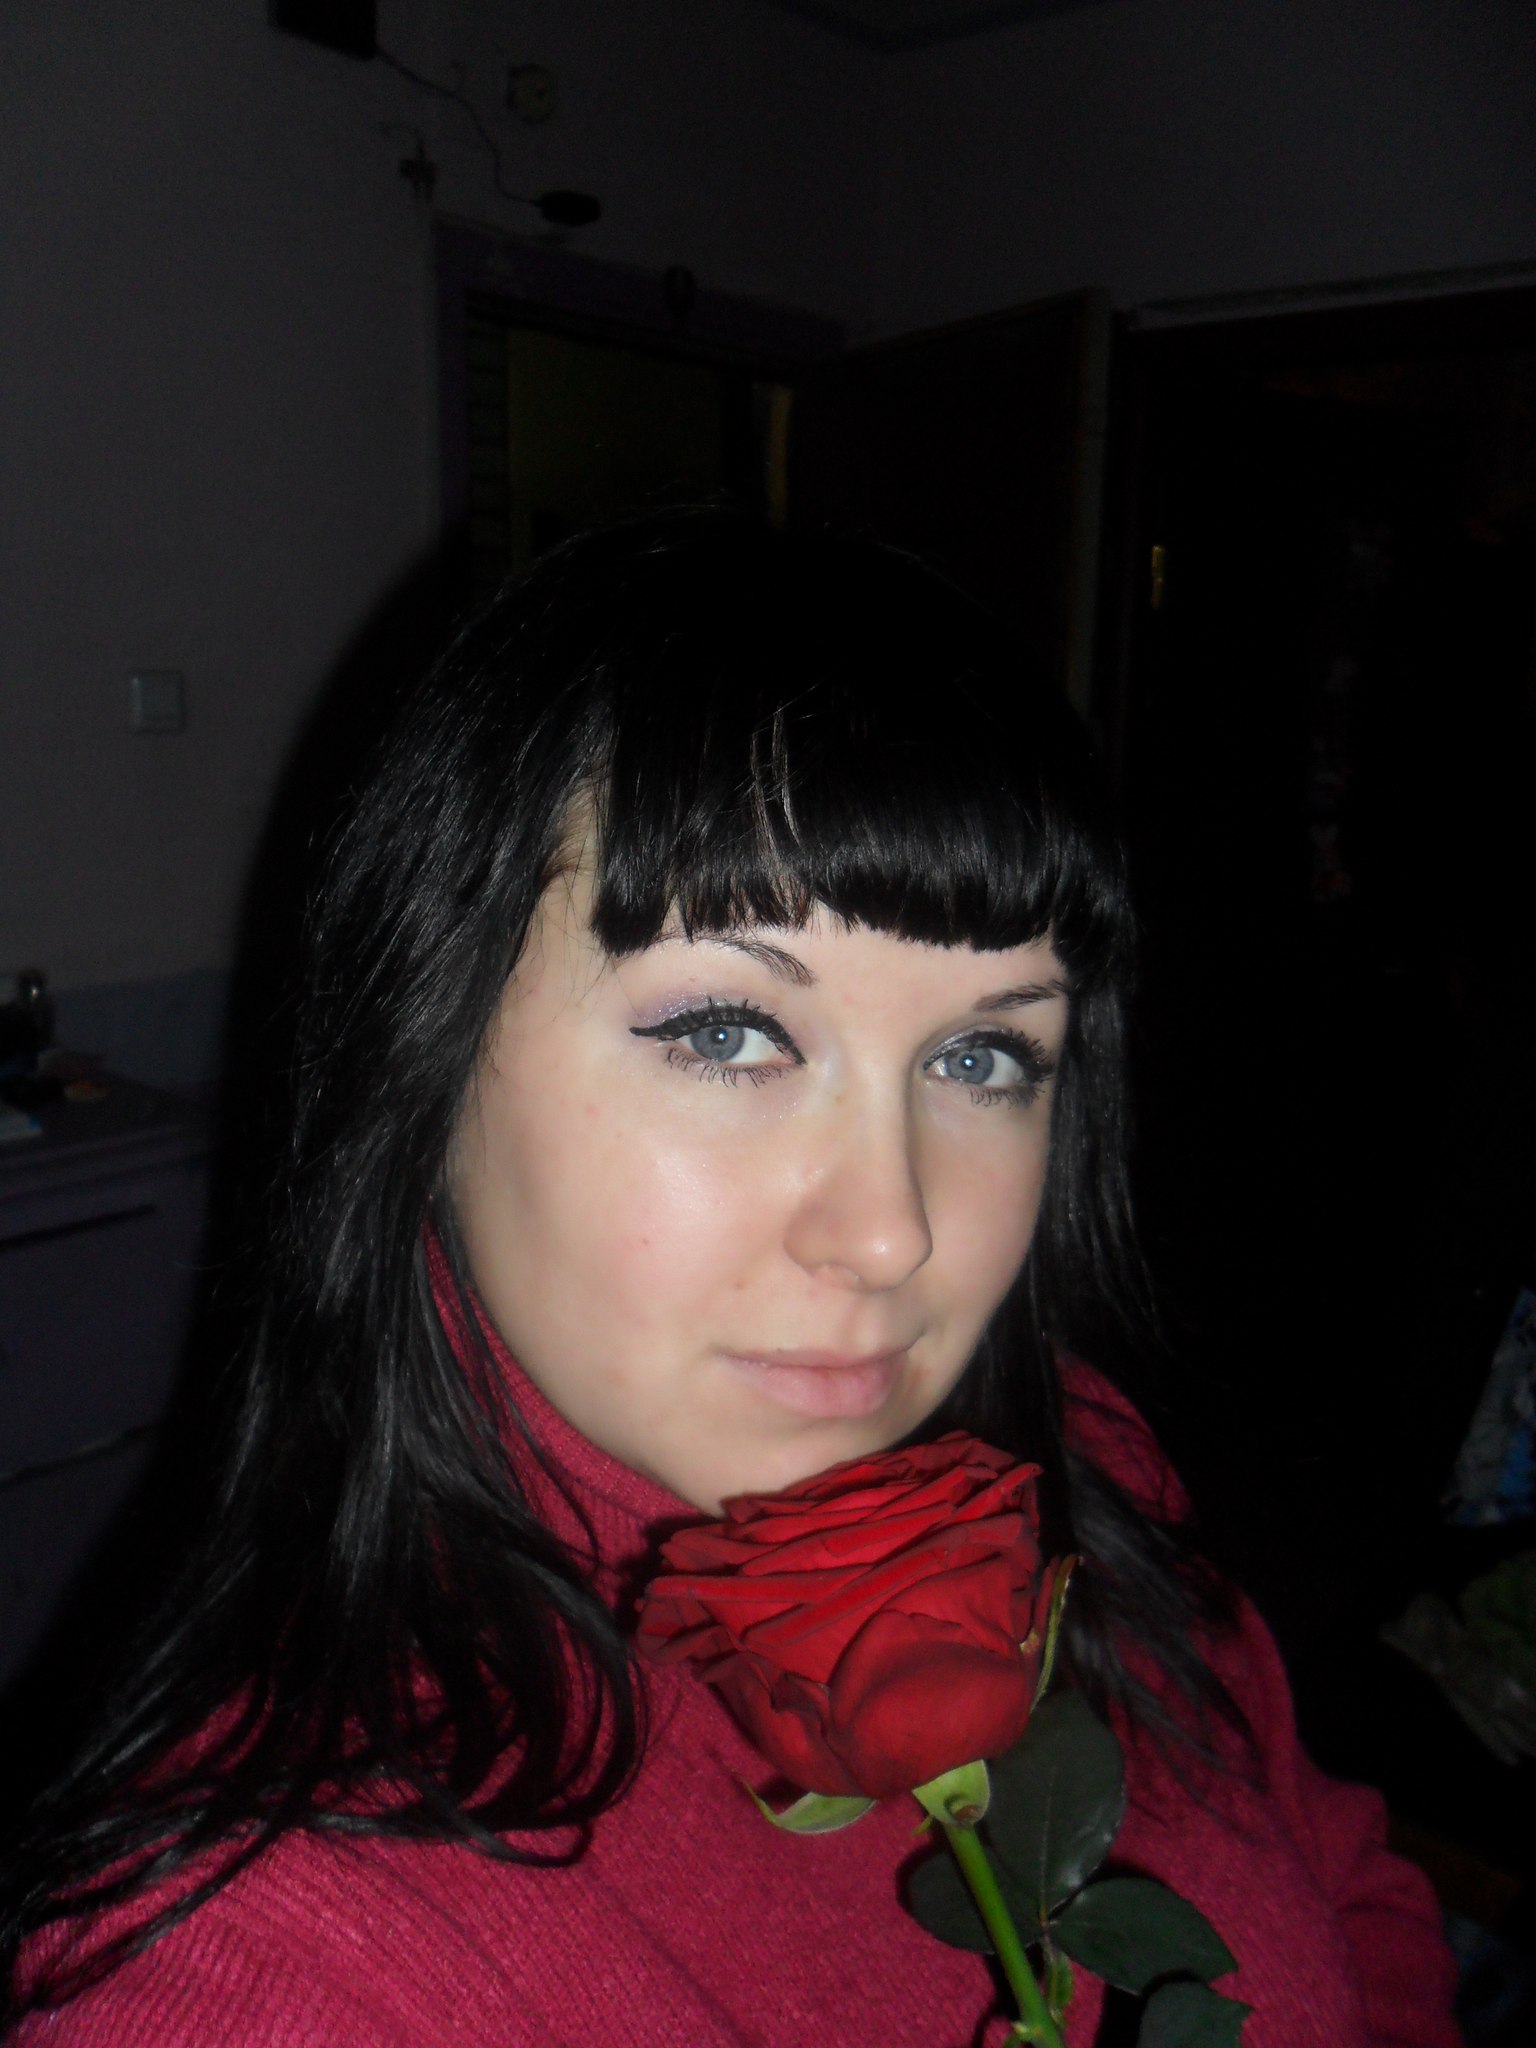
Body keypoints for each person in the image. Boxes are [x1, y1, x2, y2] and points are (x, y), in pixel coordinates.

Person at [2, 515, 1458, 2045]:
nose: (890, 1234)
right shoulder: (275, 1964)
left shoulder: (1071, 1465)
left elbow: (1347, 1890)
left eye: (983, 1055)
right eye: (725, 1034)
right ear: (420, 1054)